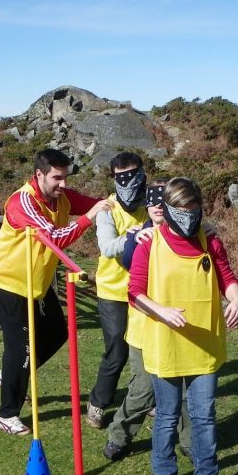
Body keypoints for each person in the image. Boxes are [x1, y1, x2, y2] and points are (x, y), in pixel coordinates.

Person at [128, 177, 238, 475]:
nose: (188, 217)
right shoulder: (149, 244)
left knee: (204, 414)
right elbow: (135, 292)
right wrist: (162, 311)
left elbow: (227, 278)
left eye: (194, 210)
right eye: (181, 211)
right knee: (167, 414)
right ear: (167, 209)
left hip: (205, 343)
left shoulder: (211, 242)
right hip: (166, 343)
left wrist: (236, 300)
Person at [0, 148, 113, 435]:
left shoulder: (62, 197)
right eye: (57, 178)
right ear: (39, 174)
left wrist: (114, 202)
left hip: (39, 283)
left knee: (58, 332)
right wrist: (90, 217)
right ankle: (7, 414)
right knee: (22, 348)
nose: (63, 184)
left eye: (66, 177)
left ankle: (11, 375)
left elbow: (96, 203)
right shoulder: (23, 202)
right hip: (11, 284)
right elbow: (54, 237)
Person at [103, 179, 192, 461]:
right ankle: (119, 436)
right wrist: (136, 238)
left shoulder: (187, 234)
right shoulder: (137, 236)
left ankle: (190, 442)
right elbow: (128, 262)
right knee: (143, 389)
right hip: (144, 327)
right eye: (151, 202)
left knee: (185, 391)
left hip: (179, 324)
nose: (156, 207)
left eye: (161, 202)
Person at [85, 152, 149, 429]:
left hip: (146, 290)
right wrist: (138, 237)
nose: (128, 182)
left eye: (133, 175)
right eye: (121, 177)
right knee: (117, 351)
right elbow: (108, 247)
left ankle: (145, 400)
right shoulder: (107, 209)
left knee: (146, 349)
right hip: (113, 291)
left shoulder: (153, 201)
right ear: (113, 178)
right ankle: (98, 403)